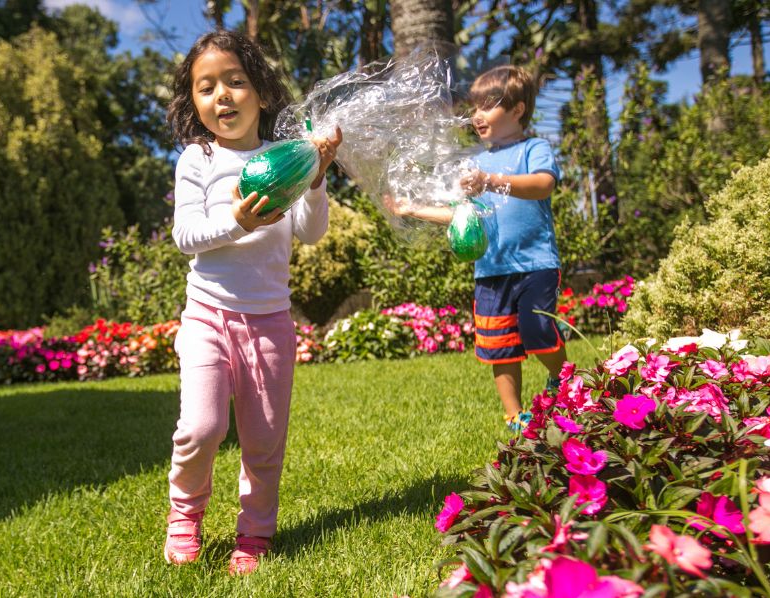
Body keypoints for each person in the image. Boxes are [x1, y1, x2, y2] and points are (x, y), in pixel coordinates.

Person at [163, 29, 342, 576]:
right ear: (194, 103)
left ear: (261, 93)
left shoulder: (285, 158)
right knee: (201, 428)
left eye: (235, 81)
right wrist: (237, 221)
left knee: (264, 442)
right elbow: (186, 236)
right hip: (207, 317)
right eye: (206, 87)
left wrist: (316, 178)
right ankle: (185, 516)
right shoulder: (198, 159)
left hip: (269, 322)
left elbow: (310, 233)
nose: (222, 95)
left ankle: (256, 532)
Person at [385, 65, 565, 433]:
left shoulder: (533, 149)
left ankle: (561, 379)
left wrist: (492, 181)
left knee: (537, 330)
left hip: (535, 263)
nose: (476, 116)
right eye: (474, 108)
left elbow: (543, 185)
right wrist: (411, 209)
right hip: (490, 269)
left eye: (487, 106)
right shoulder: (475, 165)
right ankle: (515, 416)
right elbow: (461, 214)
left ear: (517, 110)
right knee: (499, 343)